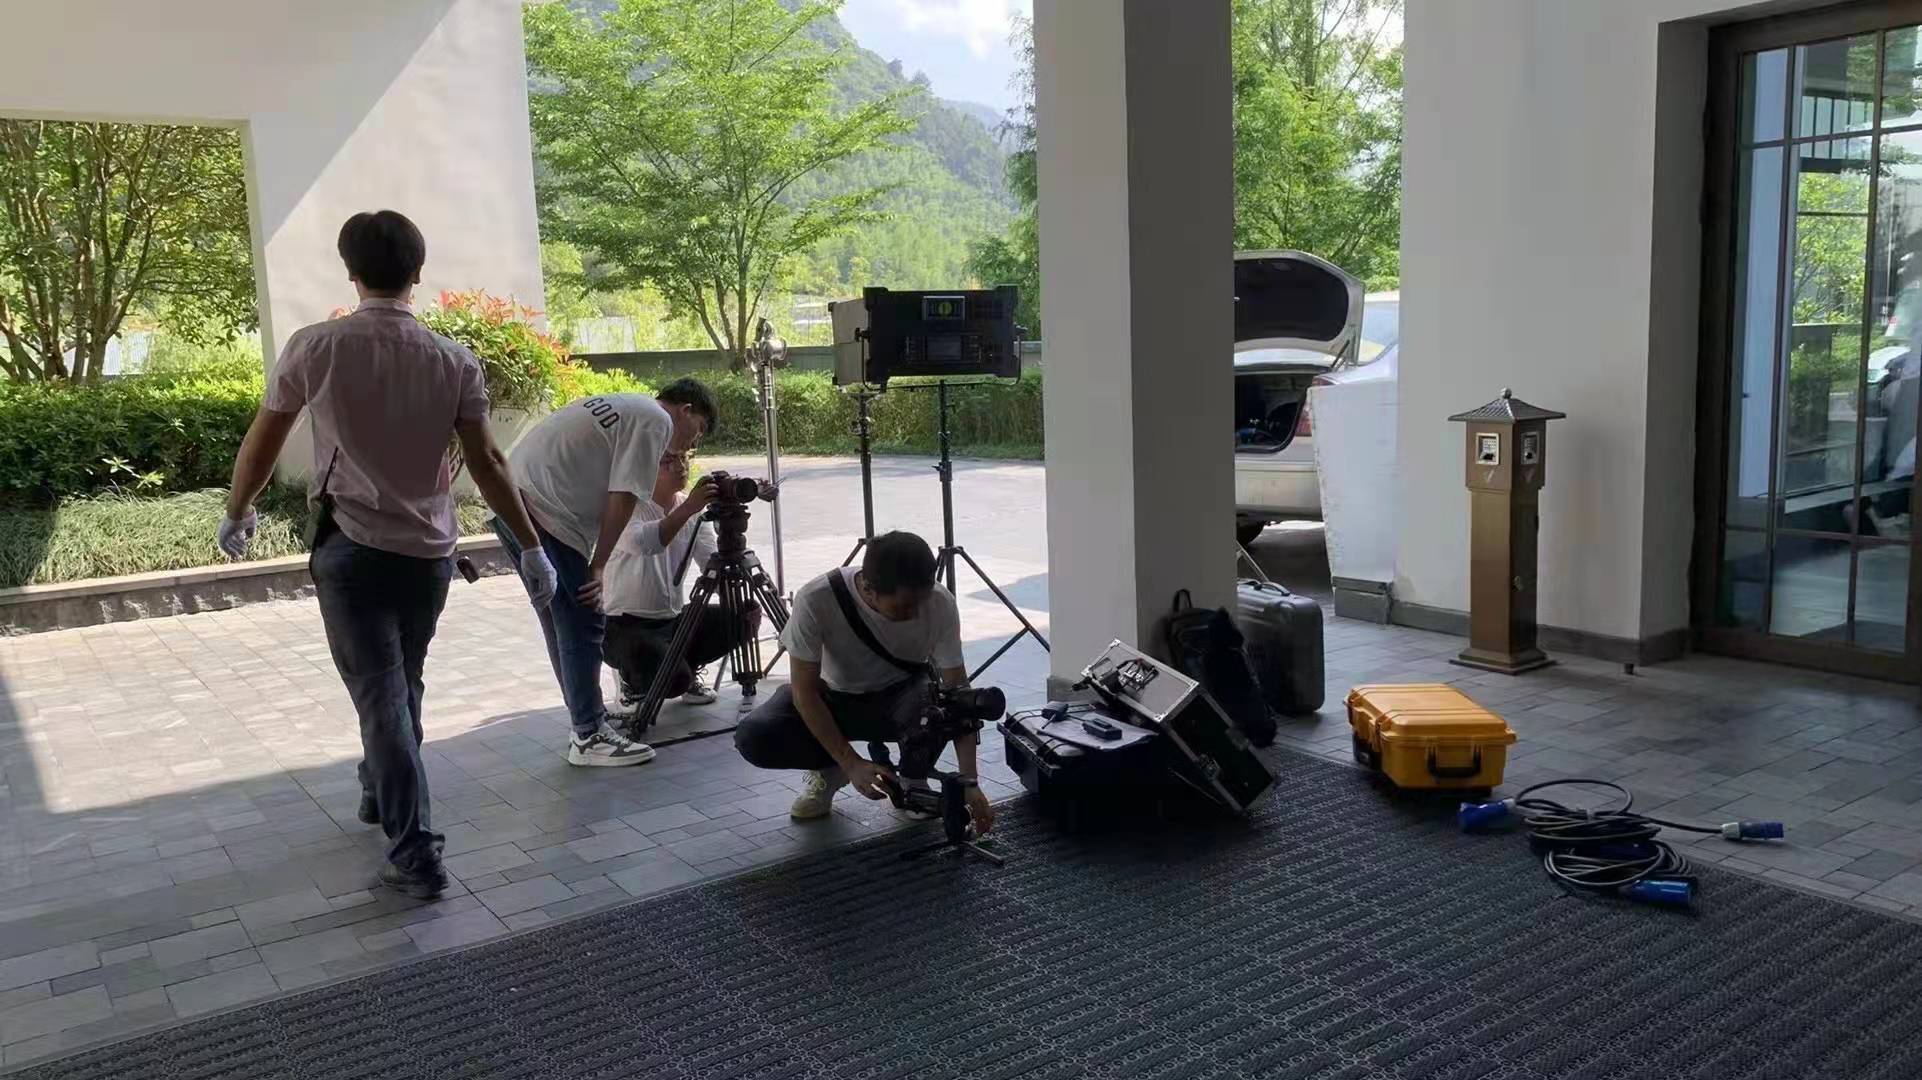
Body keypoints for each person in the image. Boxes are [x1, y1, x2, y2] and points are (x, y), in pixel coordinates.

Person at [218, 210, 557, 900]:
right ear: (418, 272)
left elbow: (265, 438)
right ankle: (380, 788)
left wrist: (238, 508)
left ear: (350, 271)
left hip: (351, 549)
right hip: (428, 554)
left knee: (382, 697)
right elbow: (488, 461)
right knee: (402, 683)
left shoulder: (316, 347)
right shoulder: (454, 359)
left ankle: (416, 853)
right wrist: (531, 547)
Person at [497, 378, 717, 766]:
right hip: (547, 511)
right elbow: (624, 495)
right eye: (697, 431)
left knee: (560, 621)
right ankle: (588, 734)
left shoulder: (629, 406)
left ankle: (587, 719)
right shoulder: (656, 421)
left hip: (515, 501)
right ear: (685, 411)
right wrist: (598, 565)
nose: (688, 446)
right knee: (584, 617)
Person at [734, 531, 994, 833]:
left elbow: (959, 696)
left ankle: (912, 779)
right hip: (833, 699)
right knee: (755, 736)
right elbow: (805, 692)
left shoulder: (939, 602)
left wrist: (970, 783)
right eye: (904, 606)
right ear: (869, 589)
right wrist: (850, 762)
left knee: (938, 710)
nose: (915, 613)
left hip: (903, 699)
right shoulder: (816, 598)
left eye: (921, 602)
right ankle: (830, 768)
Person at [602, 451, 760, 707]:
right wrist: (688, 509)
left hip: (674, 619)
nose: (680, 467)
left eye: (684, 458)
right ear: (645, 468)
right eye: (667, 461)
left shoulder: (691, 509)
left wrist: (737, 591)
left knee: (744, 615)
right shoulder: (627, 507)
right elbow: (647, 542)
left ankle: (685, 668)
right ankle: (631, 681)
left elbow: (711, 564)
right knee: (673, 681)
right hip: (624, 624)